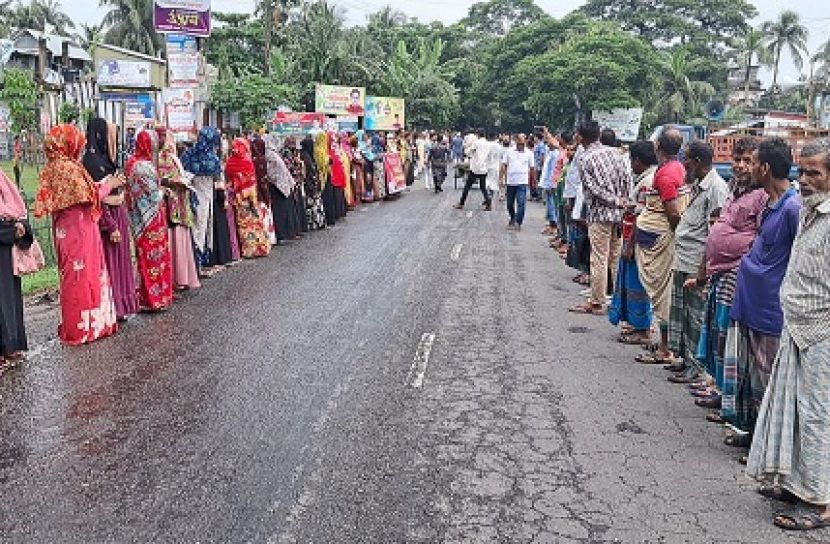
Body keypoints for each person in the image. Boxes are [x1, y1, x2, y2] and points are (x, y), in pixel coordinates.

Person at [746, 139, 830, 531]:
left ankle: (820, 500)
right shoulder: (810, 212)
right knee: (793, 410)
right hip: (796, 325)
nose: (805, 179)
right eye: (802, 171)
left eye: (815, 172)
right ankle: (797, 483)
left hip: (821, 331)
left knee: (817, 415)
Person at [722, 138, 801, 444]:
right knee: (752, 377)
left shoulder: (792, 208)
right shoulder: (769, 203)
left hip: (770, 309)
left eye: (753, 162)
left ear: (765, 168)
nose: (748, 167)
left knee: (769, 379)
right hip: (751, 302)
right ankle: (755, 435)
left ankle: (768, 445)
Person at [690, 137, 767, 410]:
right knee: (717, 332)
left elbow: (761, 238)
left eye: (748, 161)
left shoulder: (762, 196)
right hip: (719, 272)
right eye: (738, 159)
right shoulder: (735, 188)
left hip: (737, 274)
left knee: (727, 335)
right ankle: (718, 387)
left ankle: (727, 396)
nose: (741, 165)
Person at [34, 124, 121, 345]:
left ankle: (82, 325)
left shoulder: (55, 167)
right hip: (79, 232)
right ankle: (85, 327)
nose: (80, 148)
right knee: (82, 277)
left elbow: (86, 190)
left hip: (69, 230)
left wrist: (102, 185)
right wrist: (108, 185)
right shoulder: (67, 168)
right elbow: (88, 196)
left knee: (73, 276)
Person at [664, 139, 728, 382]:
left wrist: (704, 269)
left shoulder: (716, 188)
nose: (684, 164)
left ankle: (696, 366)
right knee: (682, 313)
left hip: (696, 261)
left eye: (687, 159)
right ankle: (684, 358)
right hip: (684, 257)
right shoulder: (697, 185)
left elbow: (715, 234)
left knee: (695, 316)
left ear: (698, 162)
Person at [633, 128, 690, 364]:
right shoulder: (676, 168)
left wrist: (676, 234)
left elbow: (673, 213)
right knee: (661, 292)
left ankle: (665, 348)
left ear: (658, 146)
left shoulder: (666, 174)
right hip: (657, 237)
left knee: (661, 294)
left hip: (660, 240)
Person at [568, 124, 632, 315]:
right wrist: (622, 202)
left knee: (599, 258)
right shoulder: (616, 153)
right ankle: (620, 301)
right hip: (618, 213)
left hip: (600, 213)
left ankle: (597, 301)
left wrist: (614, 201)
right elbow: (627, 180)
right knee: (615, 258)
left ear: (581, 137)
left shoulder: (585, 158)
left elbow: (592, 188)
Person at [82, 117, 139, 321]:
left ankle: (122, 307)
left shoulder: (105, 160)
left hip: (117, 214)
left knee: (121, 262)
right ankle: (113, 308)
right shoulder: (92, 163)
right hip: (107, 221)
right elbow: (97, 197)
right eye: (109, 134)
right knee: (111, 263)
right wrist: (111, 225)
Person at [609, 140, 658, 344]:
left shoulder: (647, 182)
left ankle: (642, 328)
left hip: (638, 241)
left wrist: (629, 244)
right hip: (634, 237)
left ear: (638, 160)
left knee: (637, 285)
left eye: (632, 160)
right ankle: (636, 324)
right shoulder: (646, 178)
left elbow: (642, 216)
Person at [125, 130, 173, 311]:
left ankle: (147, 297)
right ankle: (157, 298)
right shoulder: (144, 166)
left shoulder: (131, 163)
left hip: (138, 218)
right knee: (155, 259)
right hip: (151, 218)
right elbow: (153, 196)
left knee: (144, 258)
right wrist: (163, 192)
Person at [156, 127, 201, 290]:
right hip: (170, 204)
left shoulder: (173, 157)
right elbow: (160, 179)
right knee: (174, 237)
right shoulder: (159, 157)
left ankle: (181, 277)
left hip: (179, 202)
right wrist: (173, 182)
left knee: (180, 236)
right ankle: (177, 278)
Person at [0, 168, 33, 369]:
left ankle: (10, 345)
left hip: (5, 249)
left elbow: (17, 208)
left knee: (9, 299)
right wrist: (12, 230)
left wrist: (20, 226)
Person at [224, 137, 271, 258]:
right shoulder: (248, 161)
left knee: (244, 224)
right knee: (255, 222)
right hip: (251, 197)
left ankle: (248, 250)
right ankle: (261, 248)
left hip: (239, 197)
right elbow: (252, 180)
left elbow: (228, 179)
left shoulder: (229, 162)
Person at [501, 134, 535, 231]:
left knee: (521, 203)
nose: (521, 145)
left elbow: (532, 168)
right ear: (516, 142)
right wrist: (501, 178)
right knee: (509, 204)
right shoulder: (509, 151)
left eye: (522, 143)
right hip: (511, 181)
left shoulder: (529, 153)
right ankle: (513, 217)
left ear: (525, 142)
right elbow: (504, 165)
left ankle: (518, 222)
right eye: (519, 143)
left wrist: (533, 181)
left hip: (522, 181)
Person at [454, 129, 492, 211]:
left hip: (475, 168)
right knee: (483, 187)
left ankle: (461, 203)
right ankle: (488, 203)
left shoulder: (476, 143)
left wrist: (468, 150)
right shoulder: (488, 144)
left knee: (467, 186)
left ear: (478, 134)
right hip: (484, 168)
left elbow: (469, 152)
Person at [539, 130, 561, 236]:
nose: (547, 142)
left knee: (552, 204)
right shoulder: (550, 152)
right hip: (547, 183)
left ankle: (554, 225)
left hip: (551, 183)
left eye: (549, 141)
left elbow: (553, 171)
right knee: (549, 203)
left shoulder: (556, 154)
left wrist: (551, 184)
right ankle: (551, 224)